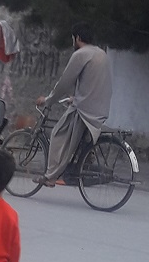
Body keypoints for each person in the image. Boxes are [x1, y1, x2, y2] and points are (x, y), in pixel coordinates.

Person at [37, 23, 112, 185]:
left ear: (77, 38)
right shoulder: (102, 54)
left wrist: (48, 100)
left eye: (73, 38)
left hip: (85, 110)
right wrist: (75, 97)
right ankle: (80, 162)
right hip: (100, 108)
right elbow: (93, 83)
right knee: (75, 139)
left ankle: (51, 176)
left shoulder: (81, 54)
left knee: (58, 134)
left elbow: (64, 83)